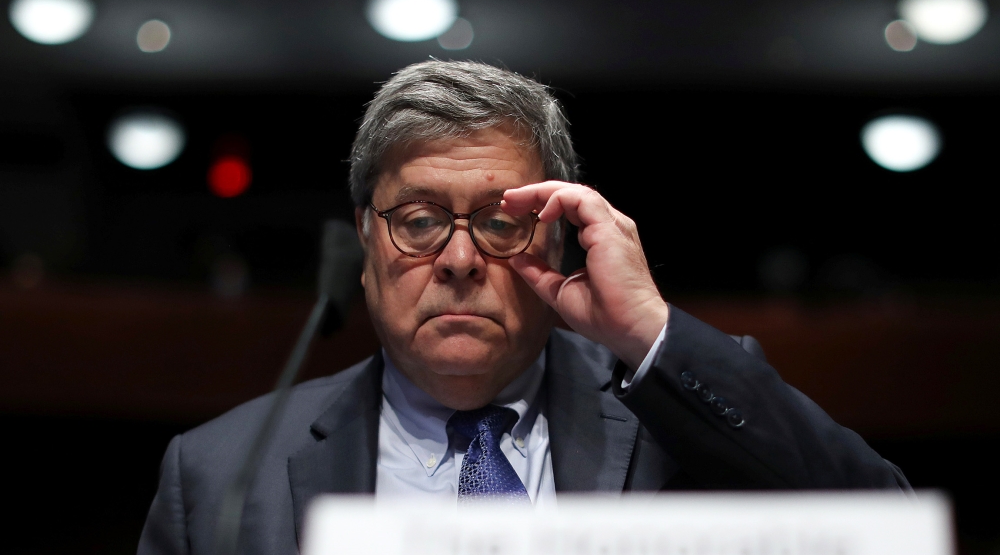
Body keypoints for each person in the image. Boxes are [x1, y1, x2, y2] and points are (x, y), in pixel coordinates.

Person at [138, 60, 909, 555]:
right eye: (418, 221)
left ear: (561, 245)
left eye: (502, 224)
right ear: (366, 250)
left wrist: (646, 331)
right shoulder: (218, 476)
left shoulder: (679, 414)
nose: (463, 260)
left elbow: (891, 530)